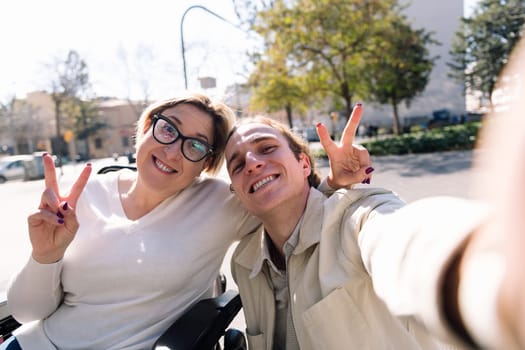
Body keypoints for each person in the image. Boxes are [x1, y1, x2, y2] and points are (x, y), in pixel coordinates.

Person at [4, 93, 373, 350]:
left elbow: (285, 196)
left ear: (205, 164)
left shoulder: (218, 203)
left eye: (195, 146)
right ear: (148, 125)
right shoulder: (86, 193)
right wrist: (45, 256)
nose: (172, 150)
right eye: (168, 129)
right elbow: (26, 313)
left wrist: (335, 181)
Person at [224, 99, 524, 349]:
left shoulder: (357, 218)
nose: (252, 162)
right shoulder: (244, 263)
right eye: (237, 164)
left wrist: (487, 267)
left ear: (304, 164)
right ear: (236, 190)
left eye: (266, 148)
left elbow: (404, 238)